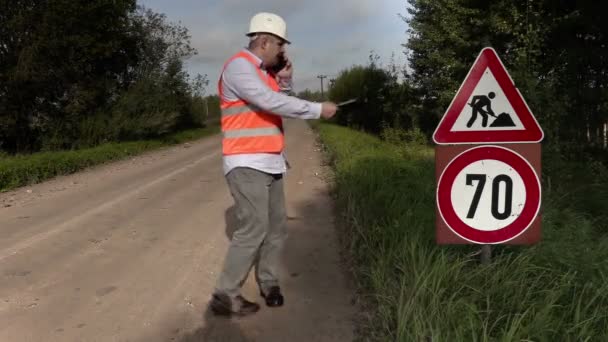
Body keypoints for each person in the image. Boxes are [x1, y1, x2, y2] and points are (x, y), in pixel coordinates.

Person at [209, 12, 338, 317]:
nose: (283, 51)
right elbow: (271, 103)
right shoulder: (239, 67)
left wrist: (286, 79)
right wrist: (317, 109)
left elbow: (278, 98)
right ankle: (225, 294)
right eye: (280, 45)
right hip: (246, 162)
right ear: (264, 41)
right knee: (254, 228)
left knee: (276, 228)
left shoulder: (263, 72)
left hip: (271, 161)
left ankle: (269, 282)